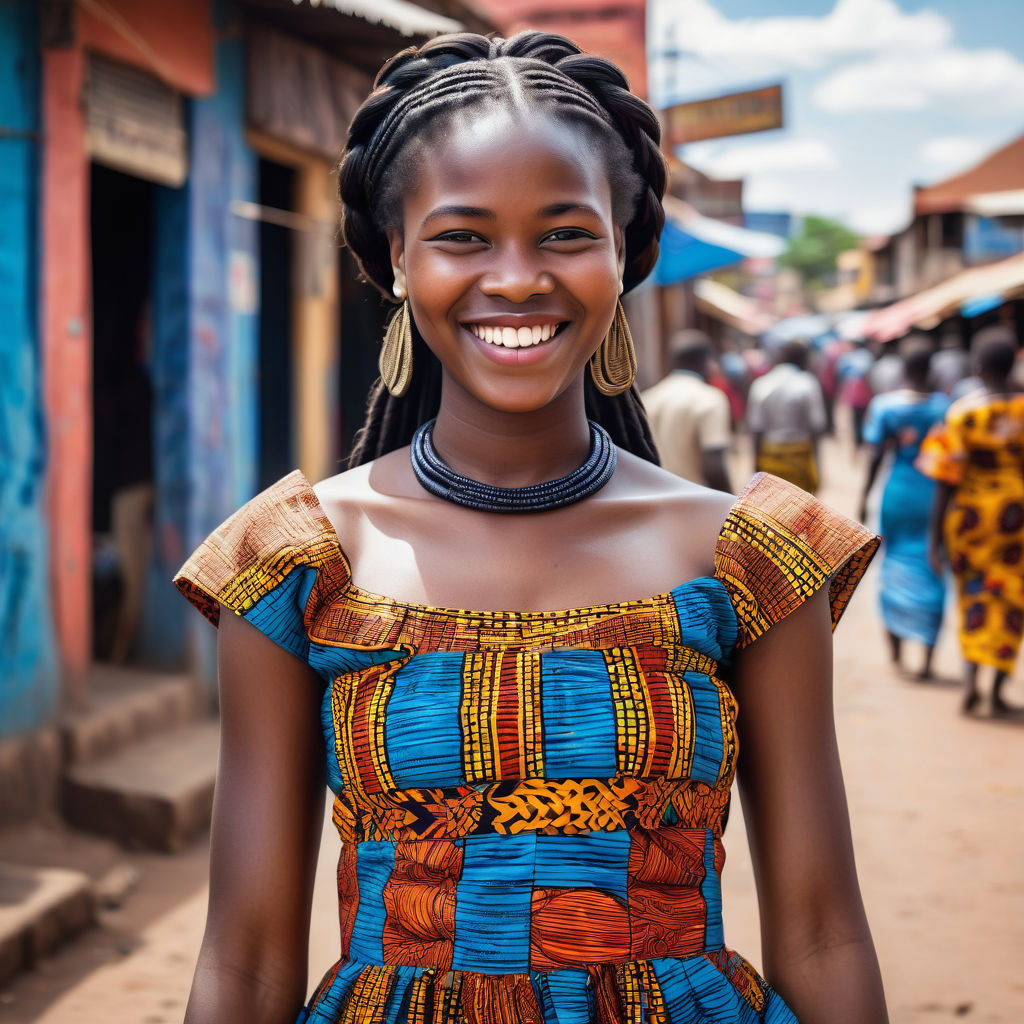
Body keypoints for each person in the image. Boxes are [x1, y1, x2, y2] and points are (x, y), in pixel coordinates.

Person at [173, 32, 888, 1024]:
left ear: (625, 253)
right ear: (396, 258)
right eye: (463, 235)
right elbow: (246, 958)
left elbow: (821, 930)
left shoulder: (747, 558)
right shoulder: (293, 562)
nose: (515, 279)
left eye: (563, 234)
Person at [918, 329, 1024, 715]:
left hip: (971, 521)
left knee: (971, 598)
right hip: (1016, 522)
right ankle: (996, 689)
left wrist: (933, 541)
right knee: (1012, 599)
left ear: (978, 368)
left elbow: (943, 481)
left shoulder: (962, 412)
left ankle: (970, 682)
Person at [859, 339, 949, 678]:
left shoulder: (885, 407)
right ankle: (927, 660)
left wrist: (864, 497)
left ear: (903, 370)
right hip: (934, 496)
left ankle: (896, 656)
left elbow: (875, 456)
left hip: (896, 494)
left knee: (893, 564)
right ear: (930, 371)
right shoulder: (945, 407)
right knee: (933, 564)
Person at [641, 329, 732, 491]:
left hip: (657, 500)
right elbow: (714, 466)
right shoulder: (709, 398)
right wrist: (730, 504)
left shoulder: (647, 398)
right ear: (707, 361)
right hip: (698, 502)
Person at [746, 340, 828, 493]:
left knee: (771, 508)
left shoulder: (761, 383)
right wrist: (818, 468)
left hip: (769, 456)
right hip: (800, 457)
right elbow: (816, 426)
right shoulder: (808, 383)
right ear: (803, 359)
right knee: (799, 510)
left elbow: (756, 429)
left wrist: (755, 468)